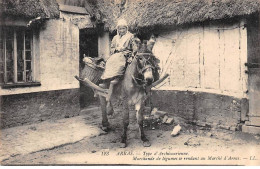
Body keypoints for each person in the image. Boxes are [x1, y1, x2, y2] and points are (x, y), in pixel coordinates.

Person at [100, 19, 135, 102]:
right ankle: (107, 77)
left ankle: (118, 77)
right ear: (117, 29)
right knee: (110, 61)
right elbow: (112, 48)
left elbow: (134, 48)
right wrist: (116, 49)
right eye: (120, 29)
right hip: (116, 54)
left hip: (126, 55)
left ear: (126, 29)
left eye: (123, 28)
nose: (122, 30)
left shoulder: (131, 36)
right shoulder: (115, 38)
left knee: (119, 60)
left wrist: (130, 54)